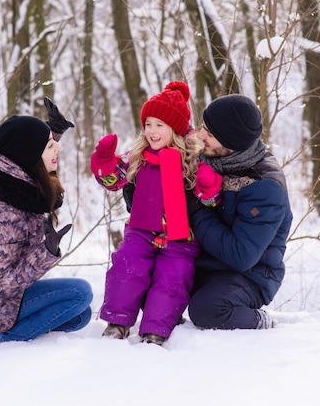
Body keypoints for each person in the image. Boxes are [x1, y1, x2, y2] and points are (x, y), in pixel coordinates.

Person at [0, 99, 93, 351]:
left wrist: (52, 133)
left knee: (80, 316)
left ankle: (3, 334)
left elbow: (28, 151)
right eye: (51, 146)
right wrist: (46, 253)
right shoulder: (4, 214)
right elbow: (1, 286)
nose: (58, 149)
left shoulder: (15, 181)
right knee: (80, 293)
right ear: (32, 157)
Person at [90, 81, 221, 346]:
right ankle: (117, 321)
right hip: (141, 229)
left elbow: (210, 202)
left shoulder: (193, 159)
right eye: (148, 124)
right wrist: (104, 161)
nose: (152, 130)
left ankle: (155, 330)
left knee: (172, 278)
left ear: (175, 128)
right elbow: (115, 181)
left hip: (180, 236)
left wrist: (208, 187)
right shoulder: (138, 155)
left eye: (159, 124)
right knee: (127, 267)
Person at [186, 94, 293, 331]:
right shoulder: (207, 159)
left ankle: (257, 321)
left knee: (208, 309)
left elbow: (241, 255)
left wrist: (194, 210)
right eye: (203, 128)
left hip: (248, 275)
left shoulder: (263, 187)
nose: (200, 136)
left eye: (210, 134)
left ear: (231, 144)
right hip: (204, 263)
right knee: (146, 279)